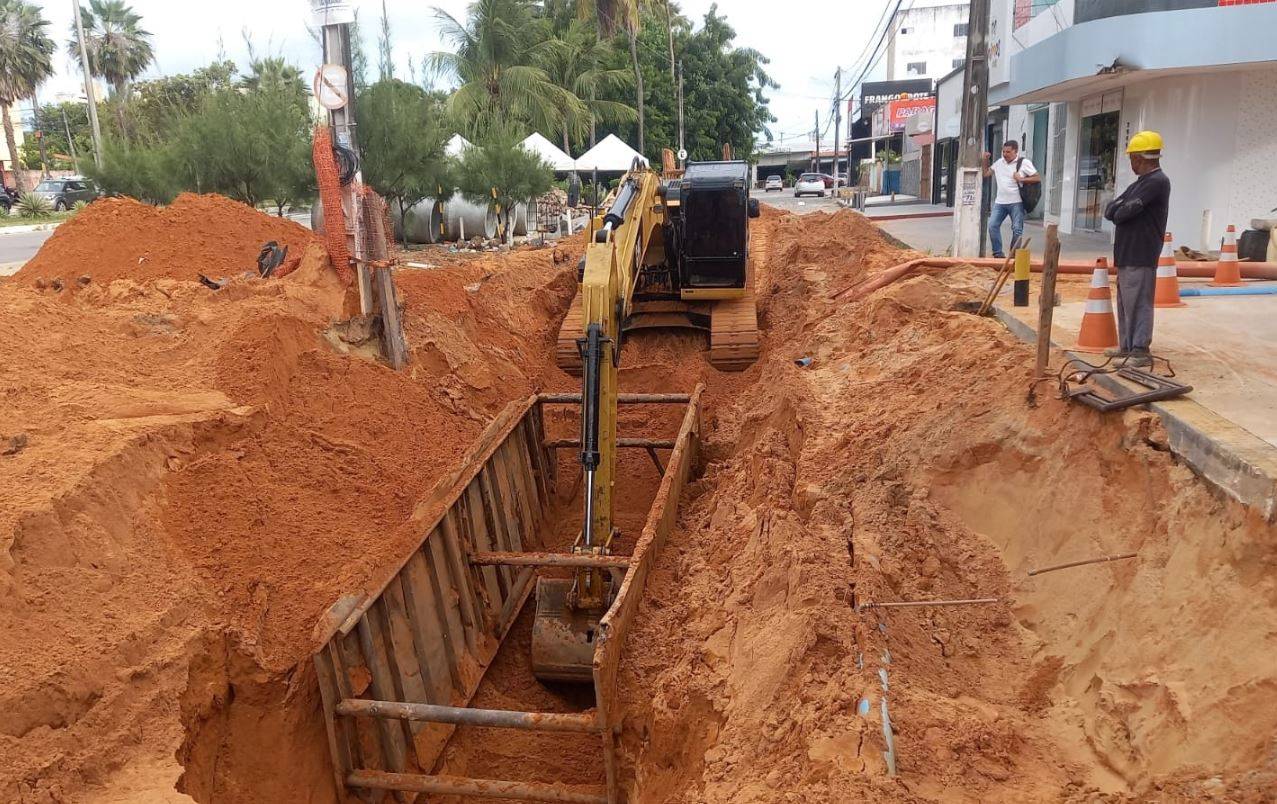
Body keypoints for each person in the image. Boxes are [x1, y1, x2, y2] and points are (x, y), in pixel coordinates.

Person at [1103, 130, 1171, 368]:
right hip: (1127, 253)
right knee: (1125, 303)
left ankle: (1140, 349)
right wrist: (1119, 208)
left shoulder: (1157, 182)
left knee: (1138, 302)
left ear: (1141, 159)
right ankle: (1127, 347)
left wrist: (1119, 208)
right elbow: (1111, 209)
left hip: (1141, 252)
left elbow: (1122, 213)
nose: (1131, 163)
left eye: (1132, 158)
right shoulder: (1140, 184)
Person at [983, 140, 1040, 258]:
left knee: (1017, 229)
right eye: (1003, 151)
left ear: (1016, 151)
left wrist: (1021, 179)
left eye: (1008, 152)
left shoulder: (1024, 163)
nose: (1005, 154)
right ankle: (998, 254)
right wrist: (985, 160)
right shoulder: (999, 162)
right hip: (1000, 202)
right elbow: (986, 174)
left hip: (1016, 202)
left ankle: (1013, 256)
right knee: (992, 225)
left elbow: (1037, 177)